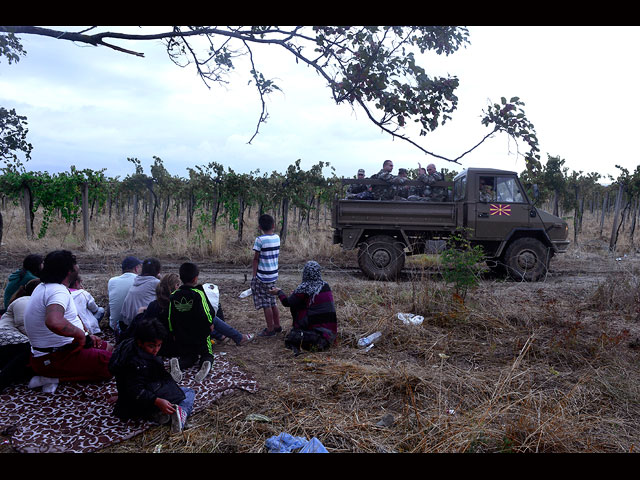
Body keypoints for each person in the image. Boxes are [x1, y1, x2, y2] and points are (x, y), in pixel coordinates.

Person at [23, 250, 113, 392]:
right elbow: (54, 321)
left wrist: (88, 335)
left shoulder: (44, 287)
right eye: (75, 264)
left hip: (57, 352)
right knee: (114, 365)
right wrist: (80, 335)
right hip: (53, 358)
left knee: (108, 348)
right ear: (68, 270)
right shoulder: (57, 291)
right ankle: (52, 378)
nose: (78, 267)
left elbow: (71, 317)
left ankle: (53, 375)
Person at [166, 262, 254, 384]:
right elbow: (207, 313)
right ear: (196, 278)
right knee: (206, 353)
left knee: (190, 357)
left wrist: (173, 332)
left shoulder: (174, 295)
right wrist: (209, 325)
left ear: (180, 278)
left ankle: (178, 364)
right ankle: (205, 363)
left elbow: (171, 317)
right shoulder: (198, 293)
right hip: (200, 334)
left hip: (182, 335)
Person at [108, 317, 194, 433]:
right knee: (189, 392)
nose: (156, 350)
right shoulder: (137, 363)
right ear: (140, 342)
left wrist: (122, 396)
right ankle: (181, 414)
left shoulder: (127, 345)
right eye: (152, 346)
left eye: (159, 345)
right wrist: (157, 401)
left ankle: (159, 415)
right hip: (141, 400)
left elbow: (127, 382)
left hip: (132, 400)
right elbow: (136, 389)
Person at [268, 261, 337, 354]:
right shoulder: (325, 285)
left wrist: (279, 292)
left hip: (317, 338)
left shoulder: (305, 287)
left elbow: (288, 302)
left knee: (292, 337)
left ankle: (300, 333)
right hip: (330, 337)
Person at [0, 279, 40, 392]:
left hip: (11, 342)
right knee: (29, 349)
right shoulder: (24, 301)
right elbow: (23, 325)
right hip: (6, 336)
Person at [252, 214, 282, 337]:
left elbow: (255, 259)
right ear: (273, 226)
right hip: (273, 275)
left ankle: (270, 329)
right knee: (272, 301)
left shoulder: (259, 240)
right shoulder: (277, 238)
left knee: (266, 304)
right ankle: (277, 325)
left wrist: (254, 275)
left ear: (259, 227)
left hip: (262, 277)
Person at [119, 257, 161, 337]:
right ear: (158, 271)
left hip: (125, 323)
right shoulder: (155, 283)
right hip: (138, 325)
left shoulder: (137, 280)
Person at [107, 256, 141, 334]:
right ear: (136, 268)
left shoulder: (112, 281)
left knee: (110, 306)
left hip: (114, 326)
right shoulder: (139, 279)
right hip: (133, 327)